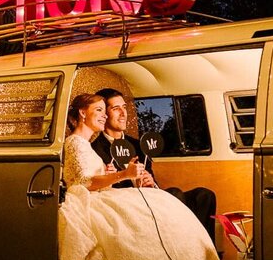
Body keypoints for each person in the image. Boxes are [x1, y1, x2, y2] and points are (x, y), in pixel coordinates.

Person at [60, 93, 225, 260]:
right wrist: (121, 175)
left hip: (103, 195)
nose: (104, 115)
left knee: (171, 202)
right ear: (82, 114)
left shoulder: (85, 144)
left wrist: (114, 175)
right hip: (89, 203)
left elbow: (93, 177)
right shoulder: (75, 142)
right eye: (99, 110)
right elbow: (83, 182)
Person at [91, 88, 219, 236]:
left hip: (150, 196)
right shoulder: (96, 149)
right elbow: (101, 187)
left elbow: (152, 181)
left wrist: (151, 182)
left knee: (204, 196)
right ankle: (180, 246)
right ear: (105, 115)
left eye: (124, 107)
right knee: (175, 193)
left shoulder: (138, 145)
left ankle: (206, 252)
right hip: (128, 204)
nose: (123, 113)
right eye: (116, 108)